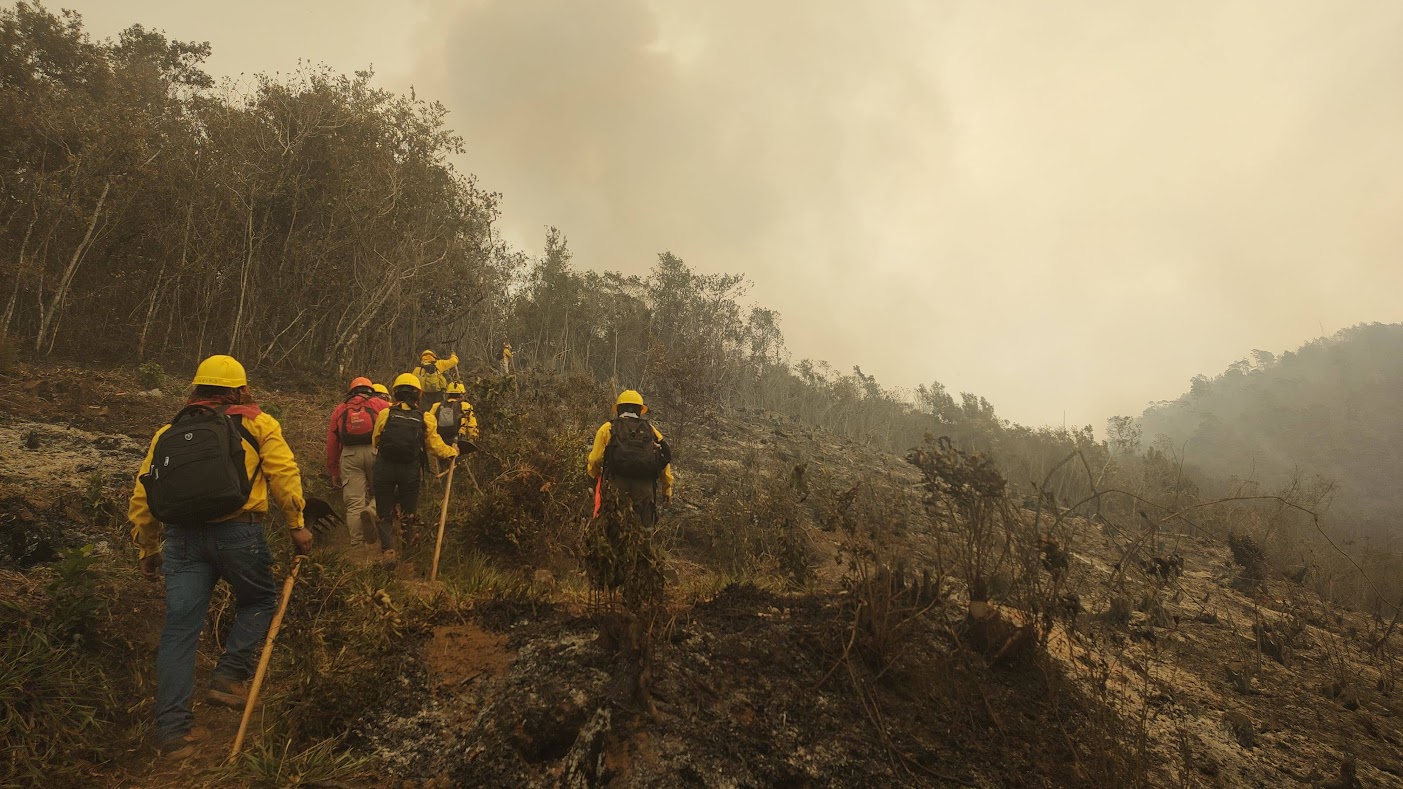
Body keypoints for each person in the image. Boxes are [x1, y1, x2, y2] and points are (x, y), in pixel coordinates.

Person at [128, 354, 310, 758]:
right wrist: (297, 524)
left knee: (178, 631)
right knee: (261, 599)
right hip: (238, 533)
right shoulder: (257, 423)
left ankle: (174, 731)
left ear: (196, 389)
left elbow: (144, 493)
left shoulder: (167, 432)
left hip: (181, 540)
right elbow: (283, 474)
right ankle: (228, 677)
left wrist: (147, 546)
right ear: (241, 388)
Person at [371, 373, 458, 561]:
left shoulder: (386, 413)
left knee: (383, 512)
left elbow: (375, 440)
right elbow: (435, 446)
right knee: (409, 513)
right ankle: (407, 556)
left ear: (395, 392)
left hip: (384, 467)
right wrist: (452, 452)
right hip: (409, 471)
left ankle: (388, 551)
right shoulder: (425, 418)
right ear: (418, 394)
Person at [586, 390, 674, 526]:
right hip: (645, 488)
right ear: (640, 410)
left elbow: (595, 459)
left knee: (613, 527)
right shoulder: (651, 430)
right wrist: (666, 488)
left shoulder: (608, 428)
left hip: (616, 485)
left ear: (619, 409)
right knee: (644, 529)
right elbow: (663, 460)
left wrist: (594, 475)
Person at [326, 376, 388, 545]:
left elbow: (332, 442)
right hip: (375, 451)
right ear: (371, 390)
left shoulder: (340, 409)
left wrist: (334, 470)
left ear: (351, 391)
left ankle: (357, 546)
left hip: (349, 456)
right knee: (383, 493)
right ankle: (372, 510)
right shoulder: (378, 404)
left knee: (354, 503)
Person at [428, 381, 480, 454]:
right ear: (461, 395)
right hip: (458, 442)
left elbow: (428, 424)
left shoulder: (436, 406)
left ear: (448, 394)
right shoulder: (466, 406)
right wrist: (474, 439)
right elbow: (472, 426)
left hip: (439, 442)